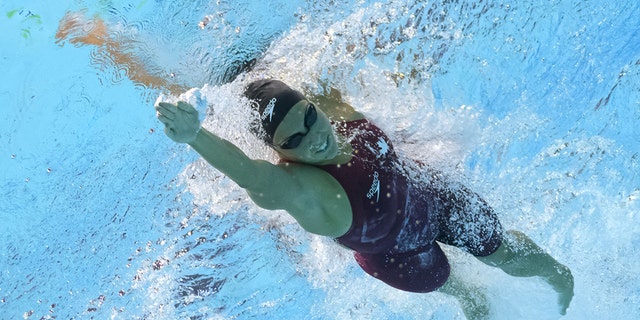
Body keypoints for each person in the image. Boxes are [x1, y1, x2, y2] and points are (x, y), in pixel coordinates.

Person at [155, 80, 574, 319]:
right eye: (295, 140)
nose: (314, 137)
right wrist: (195, 136)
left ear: (313, 105)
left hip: (432, 197)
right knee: (460, 289)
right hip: (400, 256)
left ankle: (559, 277)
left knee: (502, 250)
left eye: (309, 117)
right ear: (282, 153)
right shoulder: (311, 192)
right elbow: (251, 174)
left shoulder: (335, 114)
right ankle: (473, 301)